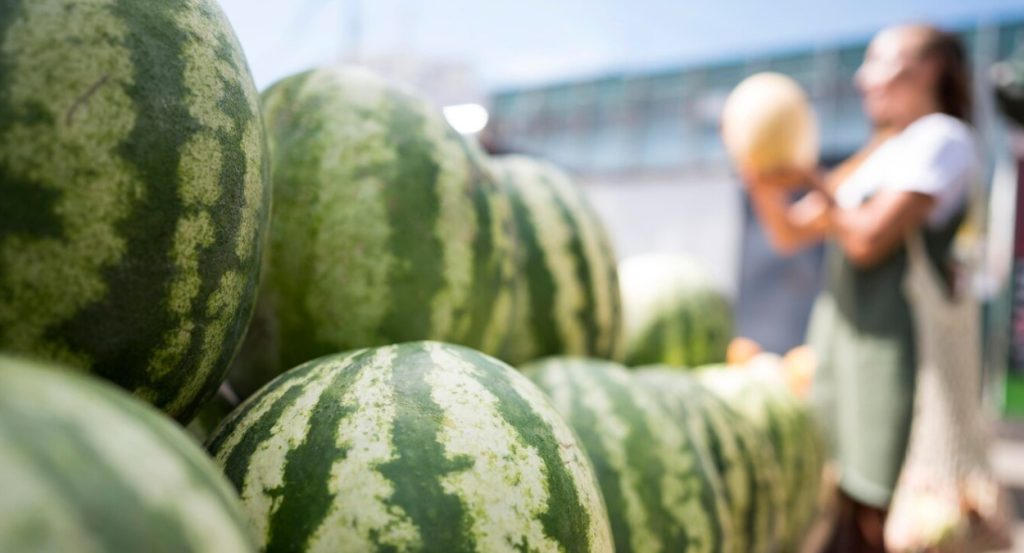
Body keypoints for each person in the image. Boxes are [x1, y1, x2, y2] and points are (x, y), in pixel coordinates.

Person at [743, 24, 978, 552]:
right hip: (840, 353)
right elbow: (788, 233)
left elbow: (869, 238)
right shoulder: (882, 149)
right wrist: (757, 174)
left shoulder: (943, 139)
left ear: (928, 70)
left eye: (878, 62)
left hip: (892, 360)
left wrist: (815, 180)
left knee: (883, 515)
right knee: (840, 505)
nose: (862, 77)